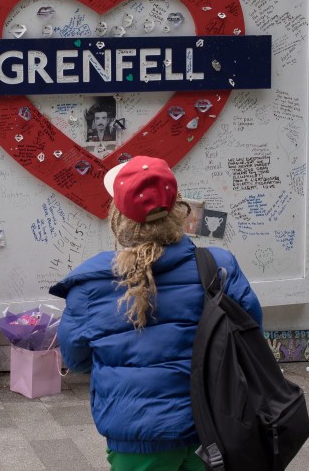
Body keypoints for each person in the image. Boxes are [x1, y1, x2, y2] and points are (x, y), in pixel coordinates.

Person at [49, 156, 262, 470]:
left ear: (118, 216)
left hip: (136, 434)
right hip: (215, 426)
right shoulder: (218, 267)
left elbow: (77, 360)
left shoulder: (90, 283)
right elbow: (251, 332)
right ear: (178, 209)